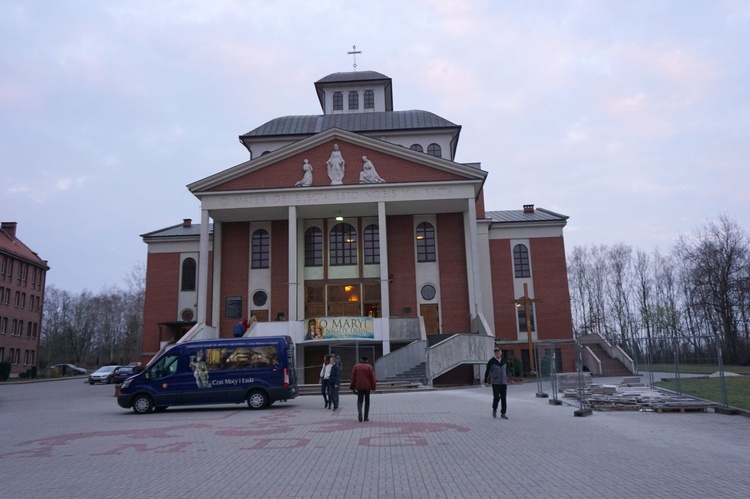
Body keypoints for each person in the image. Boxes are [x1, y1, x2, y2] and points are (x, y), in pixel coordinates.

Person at [350, 355, 376, 422]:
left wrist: (352, 386)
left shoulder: (356, 367)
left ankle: (360, 412)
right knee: (367, 401)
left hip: (359, 386)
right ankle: (366, 417)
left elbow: (353, 377)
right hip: (367, 387)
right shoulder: (369, 367)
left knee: (360, 400)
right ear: (367, 360)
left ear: (360, 359)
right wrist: (373, 388)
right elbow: (372, 378)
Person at [484, 348, 509, 419]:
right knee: (496, 397)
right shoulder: (491, 361)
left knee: (504, 398)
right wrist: (486, 381)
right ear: (494, 353)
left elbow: (507, 370)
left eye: (498, 352)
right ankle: (494, 409)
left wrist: (511, 378)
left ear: (501, 353)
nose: (497, 353)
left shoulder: (504, 361)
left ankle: (503, 413)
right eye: (496, 352)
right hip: (495, 383)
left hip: (504, 382)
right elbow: (487, 371)